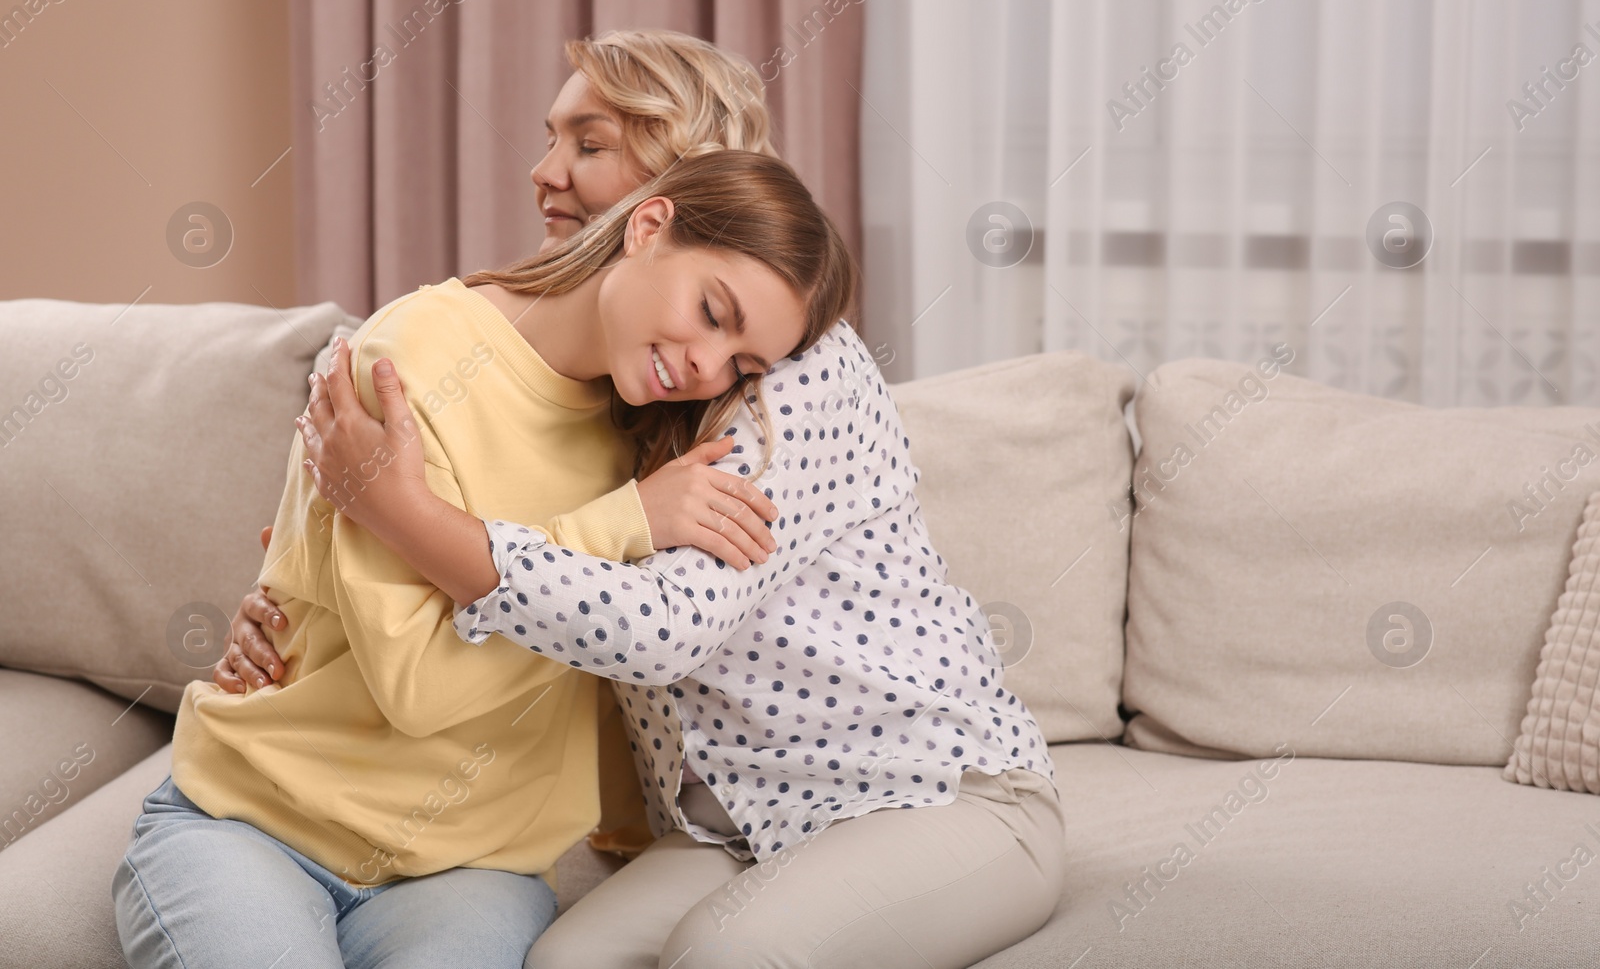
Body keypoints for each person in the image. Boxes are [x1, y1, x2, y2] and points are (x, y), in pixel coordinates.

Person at [112, 145, 857, 969]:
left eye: (742, 363)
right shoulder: (416, 358)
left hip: (471, 872)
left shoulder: (668, 435)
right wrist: (623, 524)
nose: (705, 368)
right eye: (712, 313)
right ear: (648, 226)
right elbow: (420, 686)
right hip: (254, 824)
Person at [247, 265, 1064, 969]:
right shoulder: (616, 379)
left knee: (725, 953)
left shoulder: (794, 374)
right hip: (746, 820)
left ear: (661, 200)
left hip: (939, 792)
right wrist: (297, 588)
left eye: (595, 142)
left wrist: (408, 514)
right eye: (555, 135)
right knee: (568, 960)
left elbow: (663, 624)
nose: (550, 171)